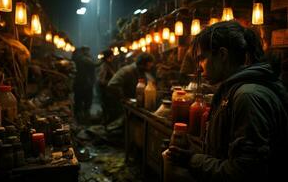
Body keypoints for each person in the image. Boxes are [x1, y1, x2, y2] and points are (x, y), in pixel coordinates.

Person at [166, 21, 288, 182]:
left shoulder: (247, 97)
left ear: (222, 55)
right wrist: (193, 150)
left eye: (202, 58)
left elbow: (244, 173)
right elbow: (225, 153)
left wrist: (191, 160)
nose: (199, 68)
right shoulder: (233, 90)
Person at [106, 52, 155, 129]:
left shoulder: (142, 72)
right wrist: (124, 99)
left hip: (134, 107)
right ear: (143, 63)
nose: (151, 66)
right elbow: (112, 85)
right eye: (150, 64)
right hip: (122, 108)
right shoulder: (127, 71)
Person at [72, 46, 95, 124]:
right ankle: (82, 120)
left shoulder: (78, 58)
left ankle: (82, 119)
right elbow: (93, 64)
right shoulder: (82, 58)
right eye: (87, 50)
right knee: (83, 102)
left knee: (82, 102)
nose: (88, 52)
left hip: (82, 83)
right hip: (83, 84)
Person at [96, 49, 116, 125]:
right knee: (107, 108)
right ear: (109, 56)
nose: (113, 57)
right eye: (112, 55)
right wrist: (111, 83)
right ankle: (106, 125)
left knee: (107, 108)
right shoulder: (104, 65)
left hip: (107, 91)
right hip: (106, 91)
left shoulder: (108, 64)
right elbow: (101, 80)